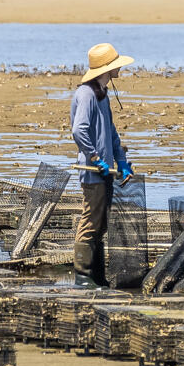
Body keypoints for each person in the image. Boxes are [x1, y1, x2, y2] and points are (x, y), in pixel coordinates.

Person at [70, 42, 133, 287]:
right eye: (116, 66)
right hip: (93, 171)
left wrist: (122, 161)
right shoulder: (85, 94)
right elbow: (79, 130)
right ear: (106, 69)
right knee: (89, 221)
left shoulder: (102, 94)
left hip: (106, 169)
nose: (120, 70)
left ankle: (97, 276)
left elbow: (112, 132)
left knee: (100, 224)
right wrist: (95, 158)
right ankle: (82, 276)